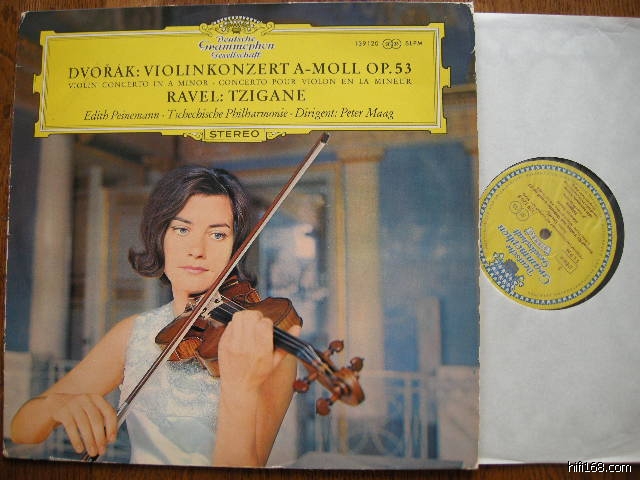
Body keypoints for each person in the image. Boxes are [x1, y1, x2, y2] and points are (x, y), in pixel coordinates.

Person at [10, 165, 300, 467]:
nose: (197, 250)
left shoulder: (266, 343)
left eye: (217, 234)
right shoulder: (133, 333)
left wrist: (240, 388)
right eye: (182, 229)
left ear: (235, 247)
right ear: (159, 235)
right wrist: (55, 405)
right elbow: (21, 430)